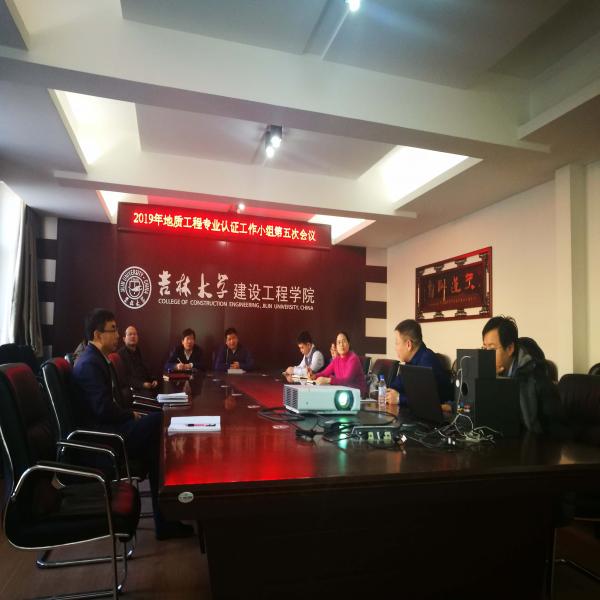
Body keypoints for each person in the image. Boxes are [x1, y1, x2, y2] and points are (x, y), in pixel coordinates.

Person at [73, 308, 193, 540]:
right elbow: (102, 409)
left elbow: (109, 404)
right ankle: (166, 517)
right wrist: (130, 415)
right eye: (113, 330)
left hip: (112, 429)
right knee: (159, 422)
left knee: (155, 441)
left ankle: (165, 517)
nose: (118, 335)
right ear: (97, 334)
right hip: (106, 440)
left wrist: (130, 414)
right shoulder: (89, 364)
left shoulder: (98, 359)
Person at [481, 315, 560, 433]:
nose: (486, 355)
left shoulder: (536, 379)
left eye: (492, 349)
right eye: (484, 349)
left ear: (510, 348)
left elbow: (554, 430)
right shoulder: (492, 374)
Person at [386, 319, 453, 405]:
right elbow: (397, 385)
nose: (395, 348)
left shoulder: (427, 360)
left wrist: (399, 398)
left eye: (397, 343)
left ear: (408, 345)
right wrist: (388, 393)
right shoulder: (410, 360)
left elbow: (424, 400)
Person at [308, 331, 367, 397]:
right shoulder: (336, 360)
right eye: (339, 342)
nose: (341, 345)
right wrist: (314, 376)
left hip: (358, 394)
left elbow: (347, 380)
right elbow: (324, 373)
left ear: (348, 343)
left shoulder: (353, 358)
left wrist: (328, 380)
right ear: (336, 346)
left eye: (344, 341)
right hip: (344, 393)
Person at [117, 325, 158, 391]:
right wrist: (142, 384)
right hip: (132, 389)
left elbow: (148, 369)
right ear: (124, 339)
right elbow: (124, 378)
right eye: (130, 334)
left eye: (135, 334)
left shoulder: (141, 351)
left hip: (147, 386)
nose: (133, 336)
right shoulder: (120, 354)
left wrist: (154, 379)